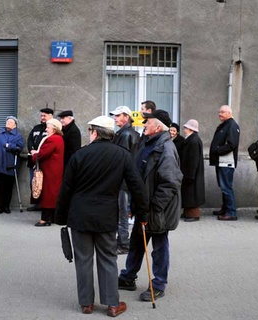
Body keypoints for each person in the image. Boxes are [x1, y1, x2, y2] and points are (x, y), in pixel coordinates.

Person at [55, 115, 149, 317]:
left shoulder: (80, 155)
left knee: (83, 259)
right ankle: (112, 304)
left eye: (90, 131)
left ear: (95, 132)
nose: (89, 134)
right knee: (108, 258)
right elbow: (137, 187)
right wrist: (142, 213)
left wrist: (60, 217)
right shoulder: (122, 155)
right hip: (106, 216)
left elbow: (66, 189)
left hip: (80, 215)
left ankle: (86, 303)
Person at [118, 109, 182, 302]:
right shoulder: (146, 143)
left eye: (148, 122)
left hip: (158, 208)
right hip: (144, 206)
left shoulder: (166, 149)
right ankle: (128, 276)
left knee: (159, 246)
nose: (144, 125)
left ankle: (159, 284)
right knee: (137, 241)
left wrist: (154, 206)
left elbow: (171, 182)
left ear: (158, 126)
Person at [109, 106, 140, 255]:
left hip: (123, 181)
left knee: (122, 213)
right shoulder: (128, 133)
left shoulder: (126, 134)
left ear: (126, 117)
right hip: (125, 179)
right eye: (114, 116)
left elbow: (120, 159)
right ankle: (122, 241)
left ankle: (123, 243)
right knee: (122, 211)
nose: (115, 118)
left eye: (118, 115)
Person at [30, 118, 64, 226]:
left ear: (54, 129)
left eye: (48, 127)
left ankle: (45, 219)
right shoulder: (59, 138)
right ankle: (53, 218)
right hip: (54, 171)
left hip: (49, 171)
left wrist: (34, 154)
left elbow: (42, 154)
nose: (46, 129)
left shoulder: (52, 139)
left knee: (47, 195)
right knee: (53, 194)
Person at [209, 105, 240, 221]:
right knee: (223, 187)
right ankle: (225, 208)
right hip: (221, 162)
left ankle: (231, 212)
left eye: (222, 112)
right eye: (219, 112)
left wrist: (217, 151)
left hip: (226, 162)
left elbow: (232, 144)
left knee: (226, 187)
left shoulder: (232, 125)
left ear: (229, 113)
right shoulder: (225, 125)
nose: (219, 114)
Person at [0, 116, 24, 215]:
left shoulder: (18, 136)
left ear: (15, 125)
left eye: (10, 122)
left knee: (8, 187)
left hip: (11, 164)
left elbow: (20, 148)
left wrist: (9, 146)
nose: (8, 123)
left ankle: (6, 206)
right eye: (7, 121)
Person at [26, 107, 53, 211]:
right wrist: (32, 150)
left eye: (44, 116)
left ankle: (44, 204)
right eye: (41, 115)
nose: (42, 118)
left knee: (44, 183)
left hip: (43, 160)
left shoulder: (52, 129)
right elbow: (30, 140)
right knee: (33, 182)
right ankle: (36, 204)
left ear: (50, 116)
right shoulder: (36, 128)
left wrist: (40, 152)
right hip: (33, 160)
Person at [180, 119, 205, 222]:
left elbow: (193, 159)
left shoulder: (193, 140)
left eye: (186, 128)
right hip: (190, 172)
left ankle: (193, 214)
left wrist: (190, 175)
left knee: (191, 194)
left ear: (190, 129)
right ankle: (188, 212)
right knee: (189, 193)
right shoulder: (192, 139)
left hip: (191, 173)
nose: (184, 129)